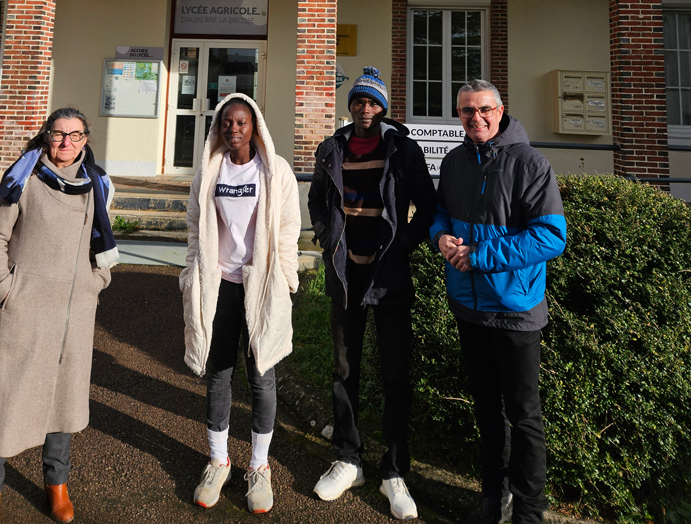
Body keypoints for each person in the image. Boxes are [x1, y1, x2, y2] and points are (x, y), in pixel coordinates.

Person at [0, 107, 117, 524]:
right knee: (4, 401)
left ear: (85, 139)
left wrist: (95, 282)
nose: (66, 142)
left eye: (75, 135)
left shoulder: (97, 183)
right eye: (58, 133)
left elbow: (101, 244)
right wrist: (5, 288)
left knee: (62, 404)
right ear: (46, 135)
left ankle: (57, 485)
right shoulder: (23, 179)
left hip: (75, 314)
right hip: (25, 309)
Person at [430, 79, 566, 524]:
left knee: (524, 417)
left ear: (500, 111)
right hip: (468, 306)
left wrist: (480, 255)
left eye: (484, 109)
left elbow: (551, 237)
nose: (476, 118)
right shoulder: (454, 162)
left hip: (515, 310)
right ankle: (494, 498)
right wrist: (440, 237)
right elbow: (440, 214)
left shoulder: (530, 163)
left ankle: (530, 512)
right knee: (487, 409)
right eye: (467, 111)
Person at [307, 67, 437, 521]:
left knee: (396, 373)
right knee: (344, 370)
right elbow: (317, 200)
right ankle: (348, 459)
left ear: (383, 108)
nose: (366, 109)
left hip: (389, 278)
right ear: (351, 107)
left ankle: (394, 471)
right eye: (359, 101)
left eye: (373, 102)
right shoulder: (331, 149)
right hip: (347, 277)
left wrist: (404, 244)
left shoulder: (403, 150)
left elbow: (428, 206)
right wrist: (326, 235)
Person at [180, 93, 301, 514]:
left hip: (261, 286)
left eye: (241, 122)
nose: (233, 129)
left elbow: (288, 228)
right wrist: (191, 272)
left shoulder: (275, 171)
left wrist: (287, 280)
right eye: (227, 123)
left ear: (255, 127)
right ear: (218, 128)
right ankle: (219, 461)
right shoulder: (209, 171)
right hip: (220, 286)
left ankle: (259, 466)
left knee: (261, 375)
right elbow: (195, 225)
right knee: (219, 375)